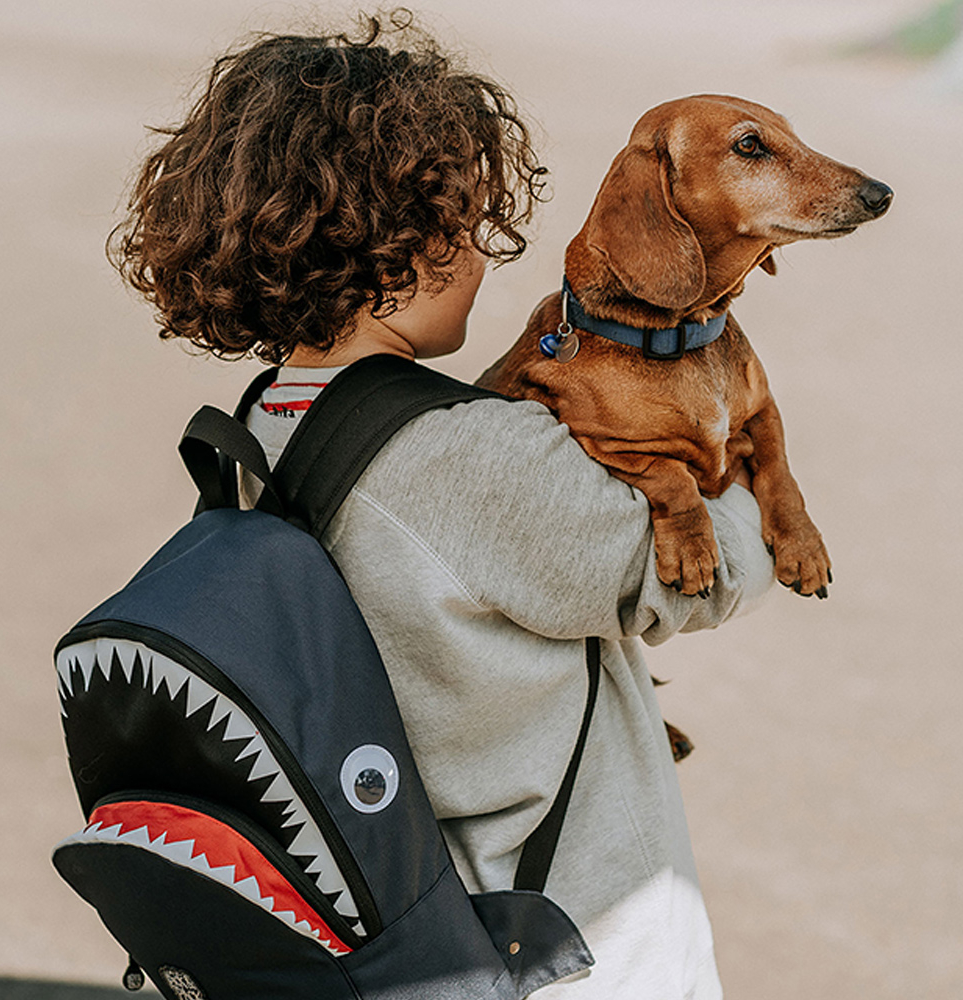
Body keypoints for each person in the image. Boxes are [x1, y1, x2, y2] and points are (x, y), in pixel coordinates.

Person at [109, 13, 774, 998]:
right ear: (400, 246)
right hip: (556, 948)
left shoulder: (263, 421)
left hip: (375, 932)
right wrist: (743, 462)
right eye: (461, 224)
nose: (477, 253)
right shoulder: (469, 455)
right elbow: (696, 578)